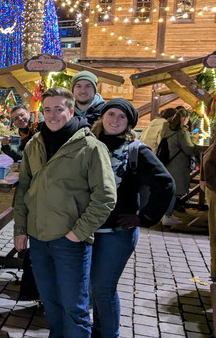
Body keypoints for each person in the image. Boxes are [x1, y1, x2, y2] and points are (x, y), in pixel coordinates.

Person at [13, 86, 116, 338]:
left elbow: (105, 196)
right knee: (51, 304)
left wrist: (78, 232)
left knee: (75, 309)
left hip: (70, 241)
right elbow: (24, 188)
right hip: (38, 239)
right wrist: (20, 229)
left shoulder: (90, 147)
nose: (52, 115)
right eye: (47, 110)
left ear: (71, 110)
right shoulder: (34, 144)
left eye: (59, 109)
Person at [90, 99, 174, 338]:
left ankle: (108, 334)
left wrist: (145, 217)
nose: (115, 120)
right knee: (94, 287)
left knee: (103, 287)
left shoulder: (136, 150)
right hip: (88, 228)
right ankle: (99, 330)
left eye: (122, 117)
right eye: (111, 114)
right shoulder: (89, 144)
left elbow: (165, 183)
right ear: (102, 117)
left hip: (117, 231)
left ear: (128, 124)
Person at [159, 108, 197, 226]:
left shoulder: (166, 128)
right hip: (178, 165)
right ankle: (167, 216)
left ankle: (166, 215)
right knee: (174, 192)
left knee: (169, 191)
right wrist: (194, 138)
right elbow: (189, 149)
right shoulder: (182, 132)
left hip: (167, 163)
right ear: (184, 119)